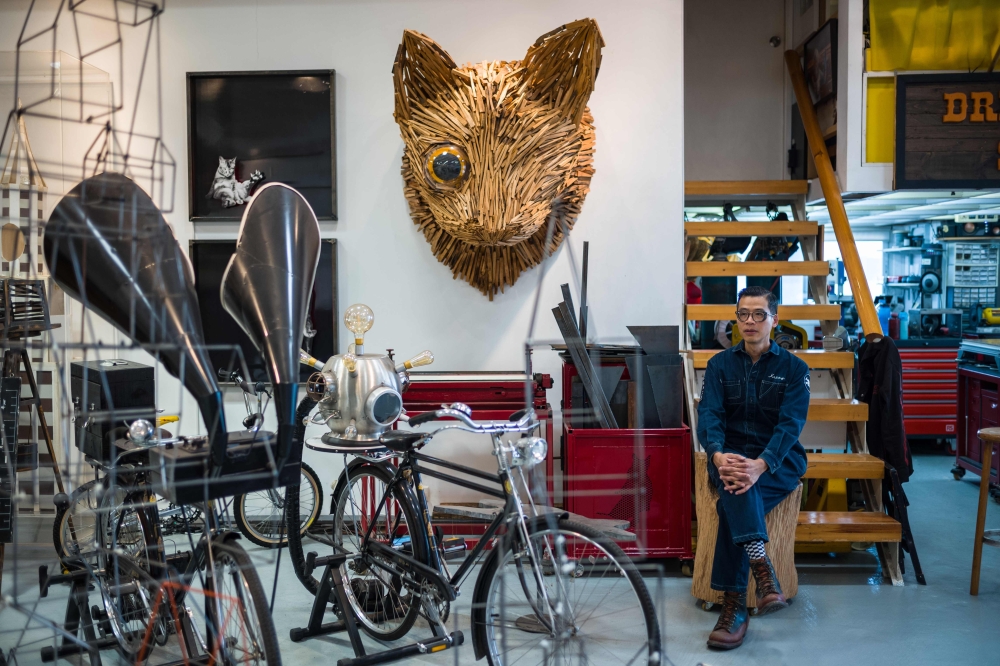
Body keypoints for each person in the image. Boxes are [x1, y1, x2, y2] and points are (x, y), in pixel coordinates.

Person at [696, 285, 810, 650]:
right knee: (736, 482)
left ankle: (733, 607)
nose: (750, 321)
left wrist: (761, 464)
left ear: (773, 320)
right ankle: (763, 576)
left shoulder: (794, 369)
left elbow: (790, 426)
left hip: (778, 460)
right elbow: (709, 417)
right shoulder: (719, 365)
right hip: (728, 457)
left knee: (736, 493)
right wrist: (716, 455)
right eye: (743, 314)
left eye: (759, 314)